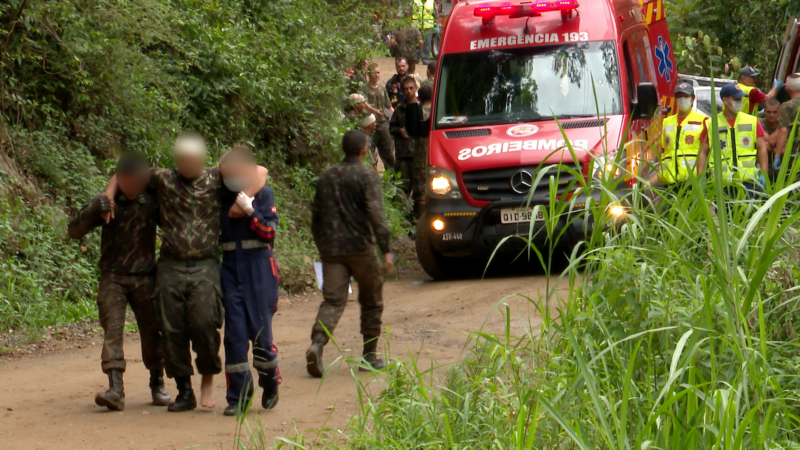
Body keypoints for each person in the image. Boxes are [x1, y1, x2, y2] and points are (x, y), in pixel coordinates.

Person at [102, 132, 268, 413]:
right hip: (170, 266)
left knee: (204, 324)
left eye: (192, 158)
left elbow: (259, 171)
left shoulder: (217, 177)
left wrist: (246, 200)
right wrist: (108, 193)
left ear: (202, 158)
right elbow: (124, 173)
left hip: (204, 265)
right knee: (171, 330)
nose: (186, 163)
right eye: (182, 158)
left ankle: (206, 378)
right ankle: (183, 390)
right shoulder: (163, 178)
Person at [68, 152, 169, 412]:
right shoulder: (106, 202)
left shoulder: (152, 201)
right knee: (112, 329)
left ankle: (157, 382)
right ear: (120, 179)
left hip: (145, 276)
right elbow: (73, 230)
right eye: (127, 180)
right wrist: (94, 209)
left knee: (152, 331)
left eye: (138, 180)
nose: (133, 185)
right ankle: (115, 388)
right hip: (113, 276)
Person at [306, 130, 394, 378]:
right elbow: (376, 215)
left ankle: (317, 343)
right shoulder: (367, 175)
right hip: (361, 249)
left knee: (333, 300)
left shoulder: (327, 176)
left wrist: (322, 247)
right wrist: (386, 251)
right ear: (365, 149)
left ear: (344, 149)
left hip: (332, 250)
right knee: (372, 300)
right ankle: (369, 356)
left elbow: (316, 218)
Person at [218, 146, 281, 416]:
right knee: (234, 335)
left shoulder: (263, 193)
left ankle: (270, 381)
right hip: (231, 267)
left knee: (260, 334)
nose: (230, 178)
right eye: (226, 174)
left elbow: (269, 232)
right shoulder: (220, 194)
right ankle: (238, 397)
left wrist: (250, 211)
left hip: (259, 267)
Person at [698, 84, 769, 196]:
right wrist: (700, 177)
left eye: (740, 99)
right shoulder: (711, 124)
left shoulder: (752, 121)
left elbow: (762, 148)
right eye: (736, 99)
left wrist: (764, 173)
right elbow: (702, 152)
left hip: (748, 181)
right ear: (725, 100)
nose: (740, 102)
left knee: (748, 213)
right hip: (722, 182)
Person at [657, 82, 710, 192]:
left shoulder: (703, 121)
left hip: (692, 179)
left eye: (686, 96)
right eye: (679, 97)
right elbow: (662, 150)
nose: (683, 100)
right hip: (669, 180)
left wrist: (701, 178)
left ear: (693, 99)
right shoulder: (667, 122)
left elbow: (705, 152)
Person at [360, 63, 396, 171]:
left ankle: (392, 179)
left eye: (378, 72)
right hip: (370, 126)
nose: (376, 75)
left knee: (389, 154)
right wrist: (374, 111)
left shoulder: (382, 89)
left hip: (383, 124)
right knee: (369, 152)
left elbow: (388, 107)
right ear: (368, 74)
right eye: (374, 73)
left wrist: (396, 118)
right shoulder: (363, 89)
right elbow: (364, 104)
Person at [390, 76, 419, 197]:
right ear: (402, 90)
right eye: (406, 89)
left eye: (411, 88)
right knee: (402, 187)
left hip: (418, 153)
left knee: (419, 188)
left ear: (416, 88)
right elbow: (391, 128)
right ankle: (402, 212)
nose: (409, 91)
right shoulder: (399, 109)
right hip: (403, 153)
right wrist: (400, 130)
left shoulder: (422, 108)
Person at [410, 85, 433, 218]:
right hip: (434, 157)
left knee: (420, 192)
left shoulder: (416, 112)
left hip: (419, 158)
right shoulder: (437, 113)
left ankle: (420, 220)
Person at [774, 74, 800, 175]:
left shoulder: (787, 106)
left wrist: (777, 155)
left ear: (787, 89)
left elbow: (783, 130)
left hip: (794, 156)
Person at [760, 98, 781, 174]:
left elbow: (786, 148)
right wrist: (781, 128)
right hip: (763, 164)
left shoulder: (784, 124)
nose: (771, 115)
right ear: (764, 111)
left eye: (775, 112)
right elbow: (770, 141)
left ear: (779, 112)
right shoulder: (759, 123)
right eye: (769, 112)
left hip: (781, 164)